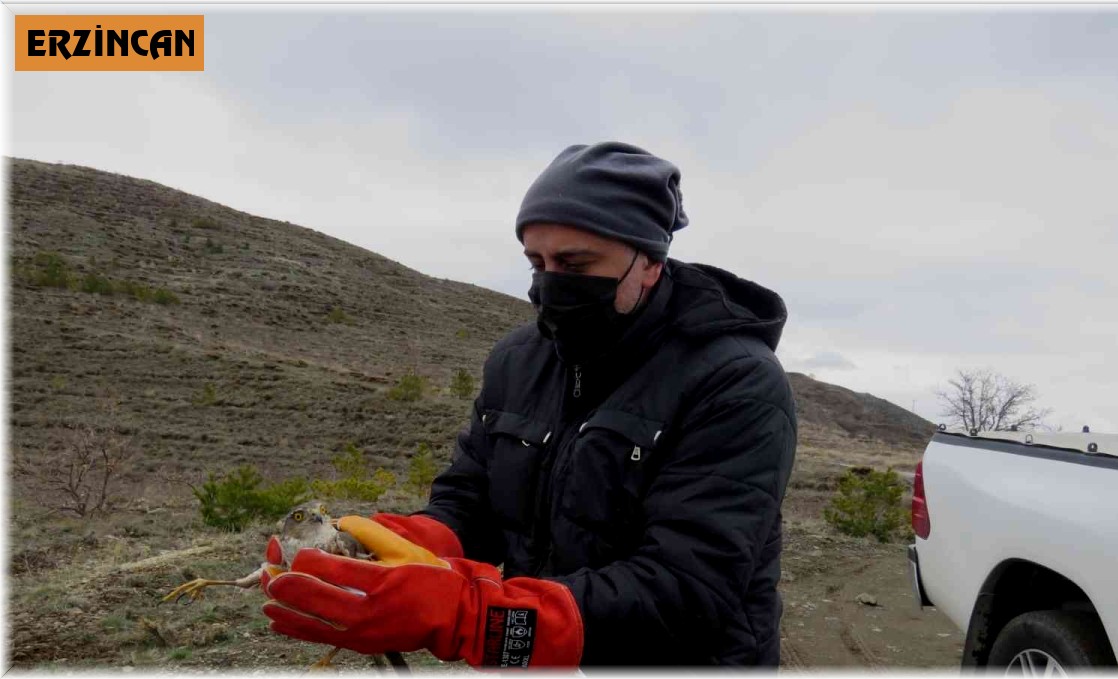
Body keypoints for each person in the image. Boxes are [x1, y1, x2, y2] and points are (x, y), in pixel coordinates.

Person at [261, 141, 797, 668]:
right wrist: (414, 540)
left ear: (650, 262)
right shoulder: (520, 359)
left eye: (575, 263)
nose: (550, 283)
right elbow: (472, 498)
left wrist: (478, 617)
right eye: (536, 262)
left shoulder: (736, 381)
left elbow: (687, 589)